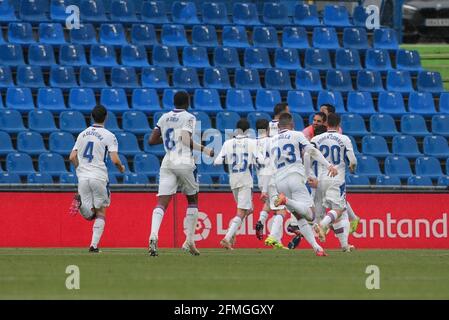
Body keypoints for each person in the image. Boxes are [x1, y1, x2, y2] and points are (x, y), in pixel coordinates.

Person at [147, 92, 214, 257]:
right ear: (188, 102)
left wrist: (167, 138)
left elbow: (151, 140)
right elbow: (185, 139)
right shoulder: (189, 117)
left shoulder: (163, 118)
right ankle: (190, 241)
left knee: (162, 202)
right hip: (183, 161)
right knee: (192, 199)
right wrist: (205, 149)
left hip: (168, 162)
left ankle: (153, 235)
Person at [271, 113, 338, 256]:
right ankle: (286, 200)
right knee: (311, 215)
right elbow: (311, 151)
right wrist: (328, 165)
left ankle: (317, 248)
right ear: (292, 124)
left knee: (299, 216)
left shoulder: (272, 140)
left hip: (279, 181)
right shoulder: (296, 134)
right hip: (294, 175)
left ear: (278, 126)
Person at [69, 105, 126, 253]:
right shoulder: (109, 135)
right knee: (100, 212)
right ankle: (93, 246)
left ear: (92, 117)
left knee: (90, 215)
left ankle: (81, 205)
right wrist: (121, 168)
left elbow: (72, 157)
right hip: (99, 177)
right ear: (106, 117)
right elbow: (114, 159)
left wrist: (79, 169)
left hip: (83, 177)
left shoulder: (82, 134)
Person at [306, 113, 357, 252]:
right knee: (340, 210)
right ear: (339, 124)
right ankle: (322, 225)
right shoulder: (344, 138)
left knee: (337, 213)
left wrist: (309, 175)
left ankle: (345, 246)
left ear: (326, 123)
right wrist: (352, 168)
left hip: (321, 179)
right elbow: (352, 160)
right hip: (336, 178)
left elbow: (307, 158)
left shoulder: (316, 138)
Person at [214, 119, 264, 250]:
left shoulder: (227, 143)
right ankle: (227, 237)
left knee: (249, 209)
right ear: (248, 131)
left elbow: (217, 162)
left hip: (233, 180)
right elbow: (261, 160)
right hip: (246, 180)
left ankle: (233, 232)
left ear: (236, 130)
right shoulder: (252, 142)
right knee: (242, 211)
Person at [253, 119, 288, 249]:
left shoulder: (253, 143)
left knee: (269, 205)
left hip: (260, 179)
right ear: (267, 129)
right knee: (281, 210)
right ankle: (272, 236)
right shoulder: (271, 141)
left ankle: (276, 240)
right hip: (272, 178)